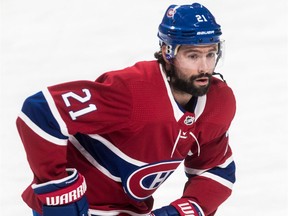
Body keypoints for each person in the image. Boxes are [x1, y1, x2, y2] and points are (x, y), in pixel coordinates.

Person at [16, 2, 236, 216]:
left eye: (211, 53)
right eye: (193, 55)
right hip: (78, 208)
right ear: (167, 52)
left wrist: (180, 211)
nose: (205, 67)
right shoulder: (134, 91)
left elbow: (215, 168)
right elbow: (42, 111)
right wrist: (58, 190)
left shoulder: (218, 103)